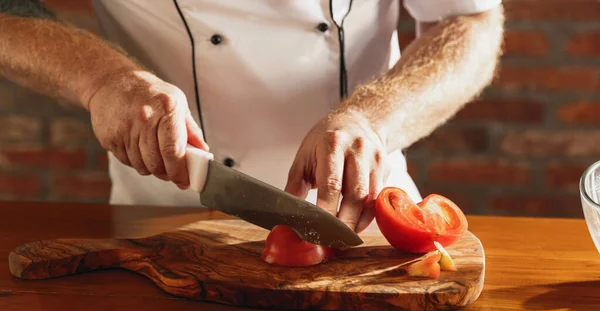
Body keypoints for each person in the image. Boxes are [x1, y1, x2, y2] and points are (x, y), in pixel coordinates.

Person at [0, 0, 504, 232]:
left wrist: (373, 119)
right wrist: (102, 78)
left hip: (366, 220)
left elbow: (470, 18)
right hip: (160, 226)